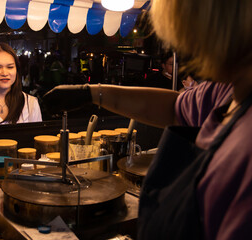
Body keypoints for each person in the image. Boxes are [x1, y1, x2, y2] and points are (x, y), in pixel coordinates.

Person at [43, 0, 252, 239]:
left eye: (191, 33)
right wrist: (90, 92)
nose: (189, 50)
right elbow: (175, 107)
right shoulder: (226, 90)